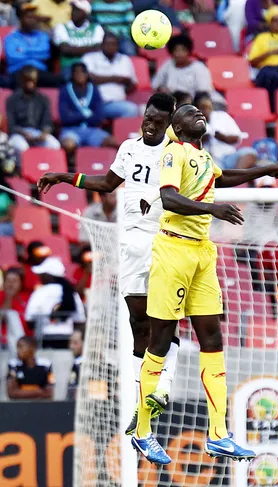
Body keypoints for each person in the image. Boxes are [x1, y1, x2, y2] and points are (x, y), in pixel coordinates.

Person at [130, 103, 278, 464]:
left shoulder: (202, 156)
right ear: (177, 125)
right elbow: (168, 197)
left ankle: (219, 434)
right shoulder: (173, 152)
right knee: (159, 342)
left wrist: (265, 169)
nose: (198, 113)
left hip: (203, 253)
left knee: (212, 338)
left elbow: (222, 177)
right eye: (190, 112)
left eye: (201, 111)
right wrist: (212, 210)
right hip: (173, 250)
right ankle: (142, 431)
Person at [37, 93, 180, 435]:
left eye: (157, 120)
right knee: (137, 323)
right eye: (147, 117)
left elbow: (195, 189)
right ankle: (140, 400)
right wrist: (63, 176)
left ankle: (164, 386)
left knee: (164, 322)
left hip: (163, 241)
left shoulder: (175, 153)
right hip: (130, 244)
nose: (149, 123)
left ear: (168, 124)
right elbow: (107, 184)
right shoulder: (129, 149)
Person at [25, 256, 86, 348]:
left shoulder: (39, 293)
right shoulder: (72, 293)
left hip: (44, 341)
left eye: (43, 274)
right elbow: (80, 321)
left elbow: (29, 320)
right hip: (69, 341)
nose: (40, 277)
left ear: (49, 276)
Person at [59, 63, 118, 156]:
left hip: (92, 130)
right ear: (72, 75)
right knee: (68, 144)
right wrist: (85, 115)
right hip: (71, 130)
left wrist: (75, 115)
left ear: (87, 74)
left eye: (82, 72)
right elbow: (65, 118)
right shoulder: (65, 90)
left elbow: (99, 118)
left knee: (112, 142)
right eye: (76, 73)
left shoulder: (94, 90)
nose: (79, 75)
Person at [6, 66, 61, 162]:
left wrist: (44, 133)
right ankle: (22, 171)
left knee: (54, 145)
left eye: (32, 80)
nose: (29, 84)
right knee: (22, 147)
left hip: (37, 133)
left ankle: (48, 169)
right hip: (19, 133)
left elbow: (47, 121)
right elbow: (11, 125)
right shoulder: (12, 99)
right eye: (27, 80)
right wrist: (23, 133)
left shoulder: (43, 99)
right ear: (21, 80)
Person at [194, 91, 258, 170]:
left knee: (250, 152)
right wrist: (203, 139)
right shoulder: (193, 122)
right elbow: (190, 146)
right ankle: (227, 179)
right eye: (202, 107)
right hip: (210, 160)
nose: (205, 110)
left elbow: (237, 138)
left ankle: (237, 176)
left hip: (229, 156)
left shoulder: (222, 116)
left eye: (207, 107)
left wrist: (223, 137)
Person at [82, 32, 139, 119]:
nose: (110, 47)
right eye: (107, 44)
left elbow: (132, 84)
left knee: (136, 109)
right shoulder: (90, 58)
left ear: (118, 46)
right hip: (97, 103)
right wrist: (115, 79)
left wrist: (126, 83)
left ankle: (118, 131)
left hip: (118, 102)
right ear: (102, 45)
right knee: (131, 109)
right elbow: (88, 78)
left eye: (113, 44)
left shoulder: (125, 60)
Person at [4, 4, 62, 88]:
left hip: (39, 71)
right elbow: (12, 57)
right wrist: (34, 54)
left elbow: (45, 54)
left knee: (61, 80)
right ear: (21, 19)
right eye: (29, 17)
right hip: (18, 71)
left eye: (34, 17)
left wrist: (23, 50)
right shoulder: (11, 38)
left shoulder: (42, 36)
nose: (32, 20)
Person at [152, 35, 216, 99]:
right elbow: (155, 83)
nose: (179, 54)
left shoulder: (199, 68)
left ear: (189, 52)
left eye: (183, 50)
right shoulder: (168, 65)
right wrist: (161, 89)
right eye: (176, 50)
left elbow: (203, 92)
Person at [53, 0, 104, 79]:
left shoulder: (96, 28)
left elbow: (100, 49)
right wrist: (91, 48)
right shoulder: (61, 27)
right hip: (69, 66)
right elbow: (65, 49)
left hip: (92, 66)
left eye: (77, 10)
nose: (73, 12)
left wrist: (74, 49)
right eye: (73, 9)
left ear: (86, 14)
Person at [7, 336, 55, 400]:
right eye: (17, 348)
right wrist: (39, 391)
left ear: (32, 348)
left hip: (41, 405)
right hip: (19, 405)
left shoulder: (46, 364)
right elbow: (12, 393)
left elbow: (49, 393)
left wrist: (20, 392)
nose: (18, 351)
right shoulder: (13, 364)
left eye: (21, 347)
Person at [0, 266, 31, 335]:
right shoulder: (1, 295)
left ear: (21, 283)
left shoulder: (29, 297)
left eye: (14, 281)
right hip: (4, 341)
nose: (11, 284)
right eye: (8, 281)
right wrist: (8, 297)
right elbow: (3, 317)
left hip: (25, 340)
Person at [66, 327, 84, 400]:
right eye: (70, 342)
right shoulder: (68, 363)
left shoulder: (93, 365)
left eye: (75, 343)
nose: (71, 346)